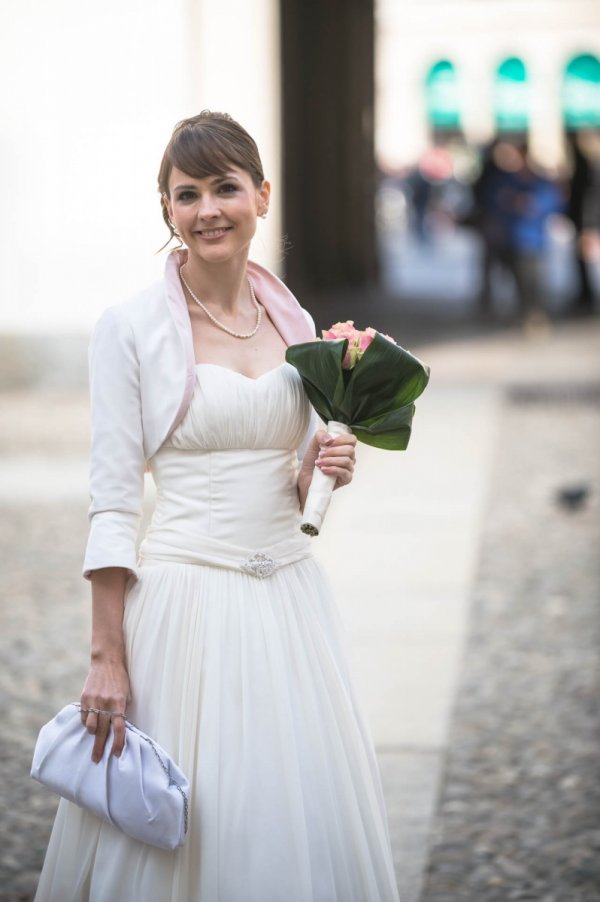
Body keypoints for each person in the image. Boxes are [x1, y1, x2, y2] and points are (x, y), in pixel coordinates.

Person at [34, 111, 401, 902]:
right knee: (189, 823)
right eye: (186, 193)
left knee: (286, 820)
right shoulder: (128, 329)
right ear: (166, 209)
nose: (208, 210)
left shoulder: (297, 326)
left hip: (292, 608)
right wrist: (106, 655)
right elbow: (113, 497)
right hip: (183, 604)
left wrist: (325, 470)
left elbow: (295, 489)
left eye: (226, 188)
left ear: (262, 196)